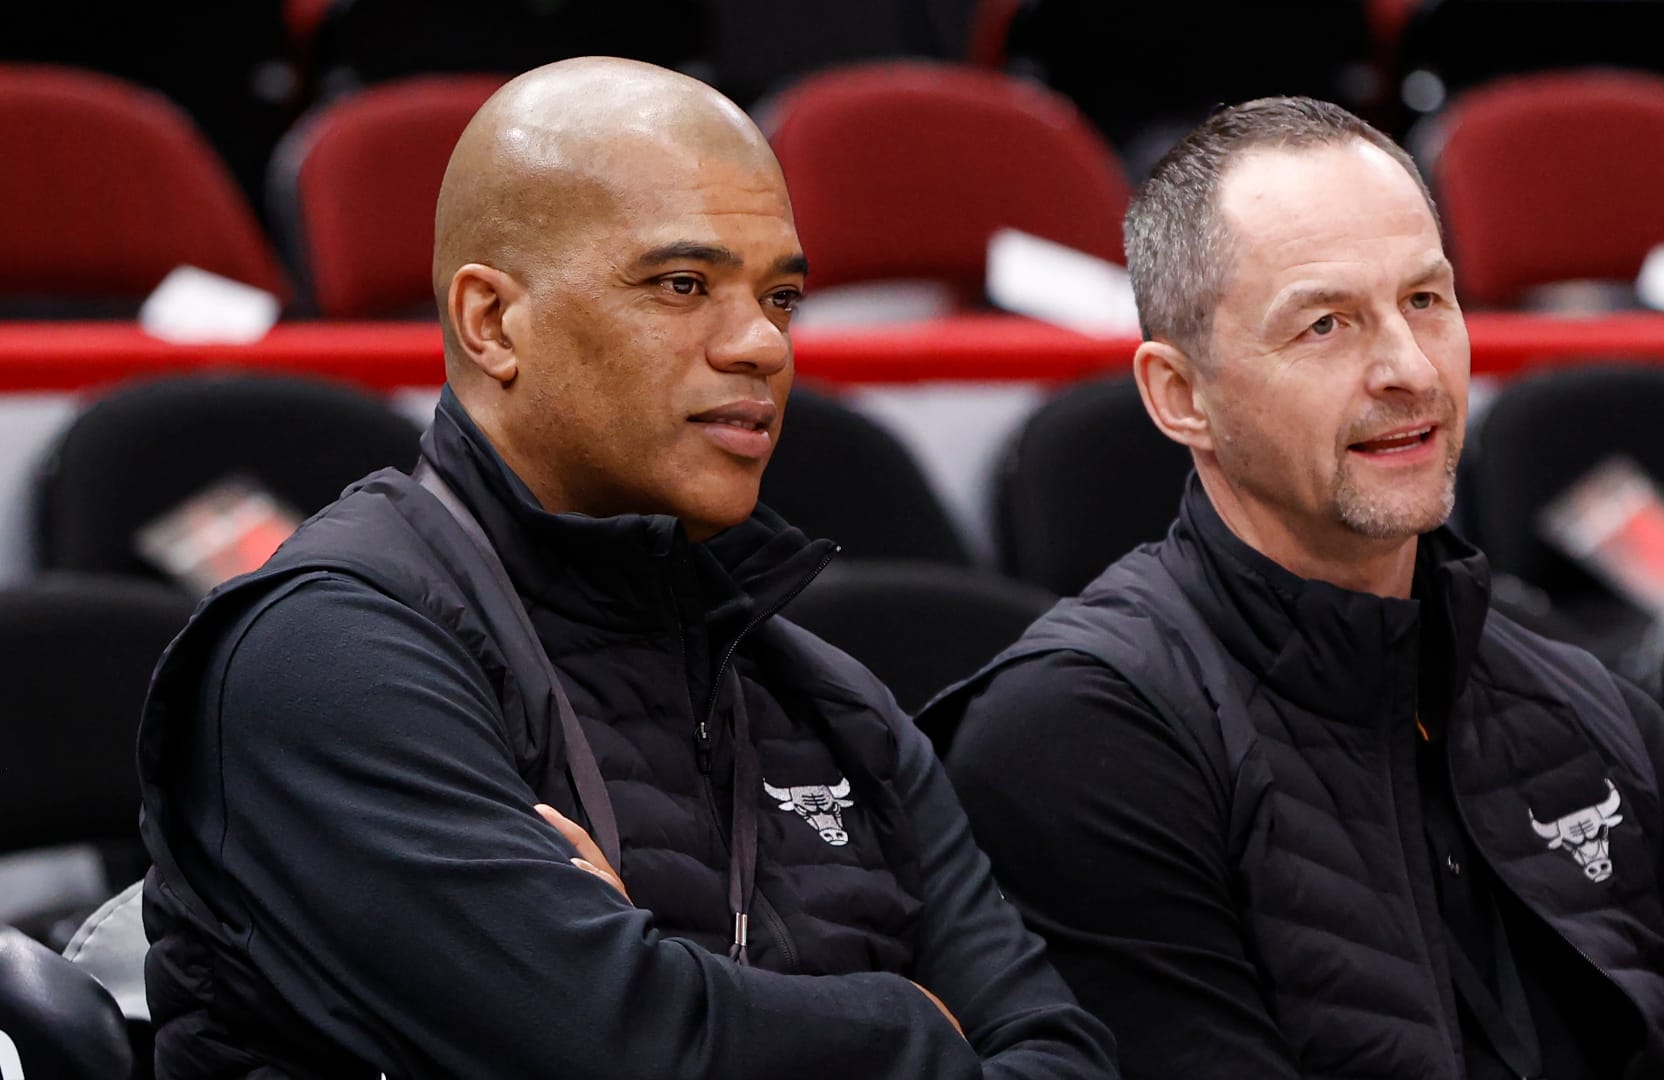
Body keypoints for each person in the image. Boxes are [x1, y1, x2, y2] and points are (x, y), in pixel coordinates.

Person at [136, 57, 1116, 1079]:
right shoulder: (327, 651)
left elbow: (1061, 1061)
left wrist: (670, 980)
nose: (760, 345)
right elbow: (614, 1051)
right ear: (491, 323)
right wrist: (917, 1025)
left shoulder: (834, 705)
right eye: (683, 284)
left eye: (780, 296)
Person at [927, 97, 1664, 1079]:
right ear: (1179, 395)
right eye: (1328, 325)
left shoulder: (1604, 722)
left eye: (1426, 300)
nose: (1408, 369)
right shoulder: (1073, 732)